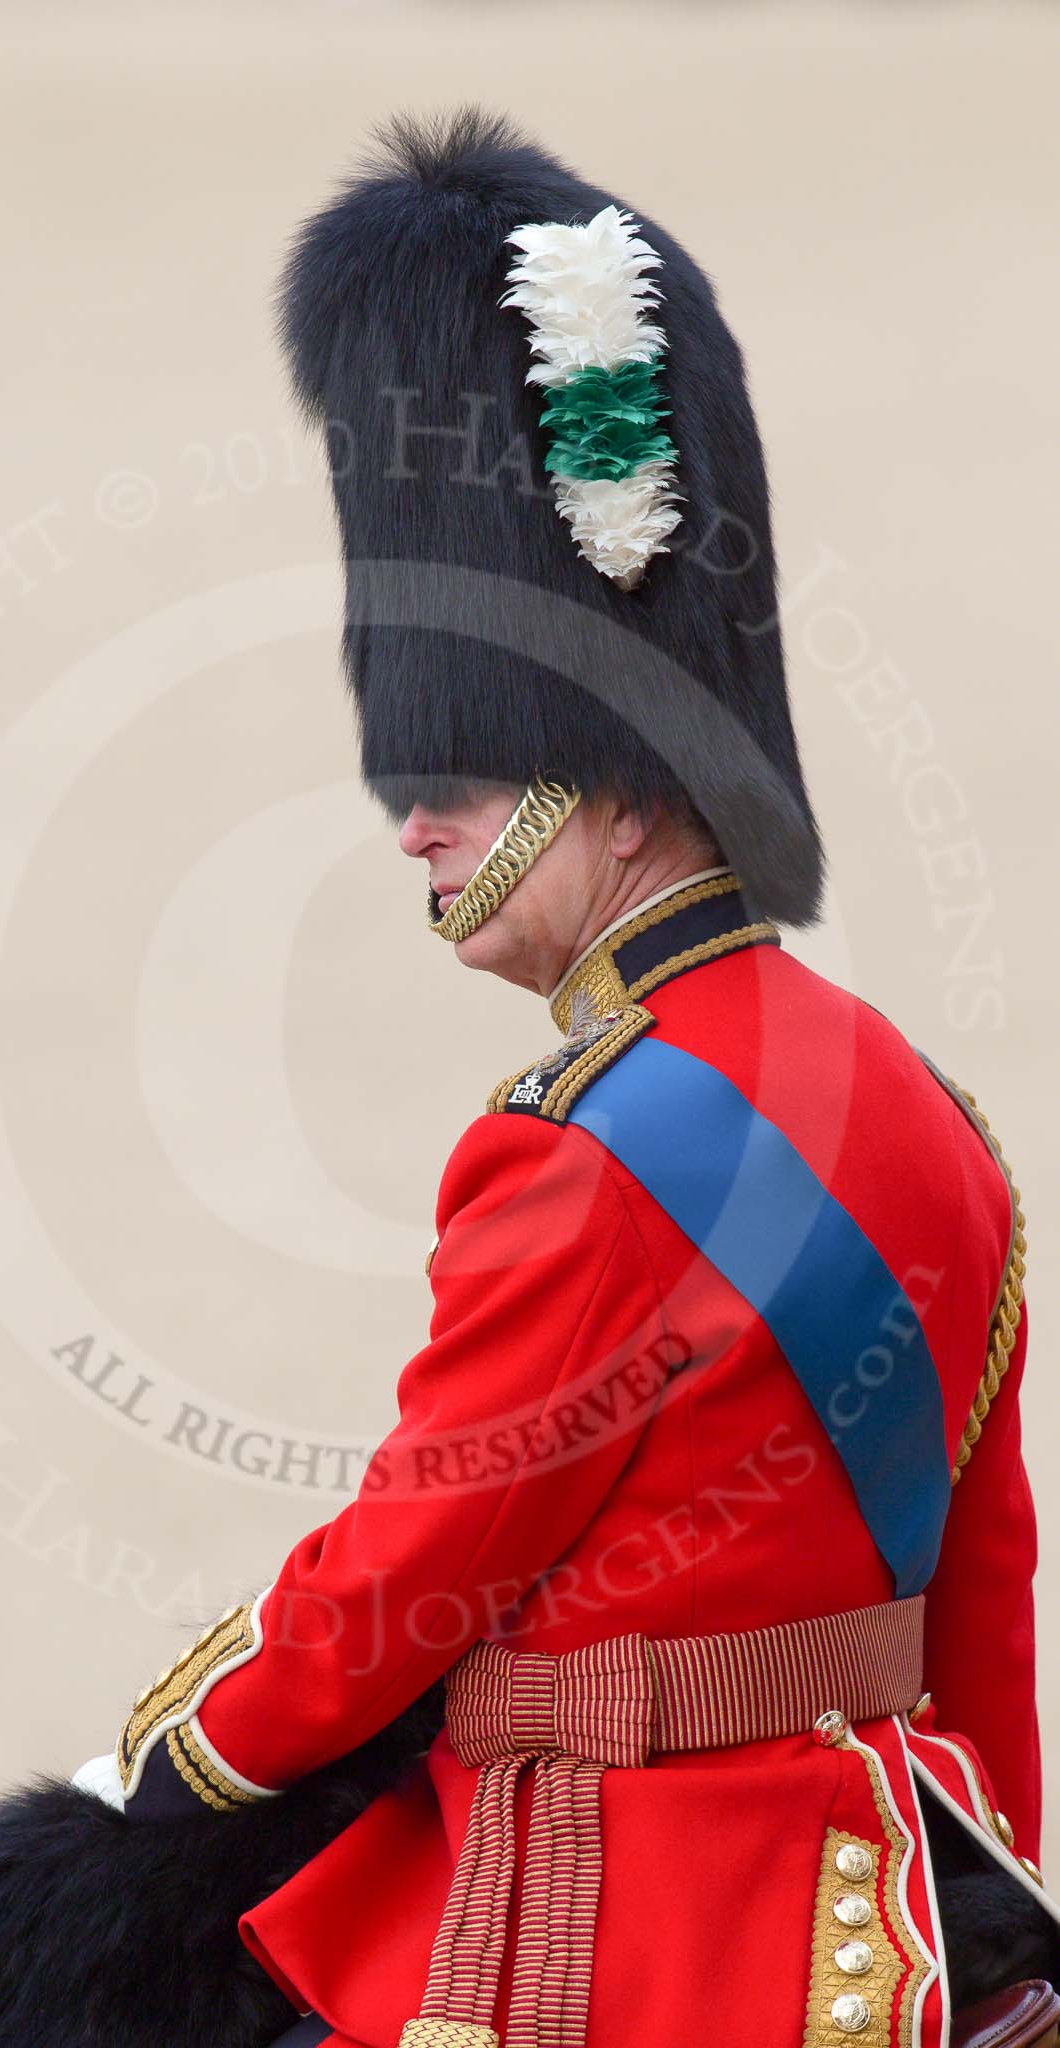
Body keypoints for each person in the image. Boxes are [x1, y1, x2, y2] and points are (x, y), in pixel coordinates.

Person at [76, 109, 1057, 2048]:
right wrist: (996, 1911)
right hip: (878, 1934)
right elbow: (982, 1621)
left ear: (601, 765)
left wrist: (168, 1770)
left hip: (619, 1938)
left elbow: (408, 1578)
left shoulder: (584, 1150)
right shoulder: (923, 1117)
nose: (409, 826)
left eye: (445, 771)